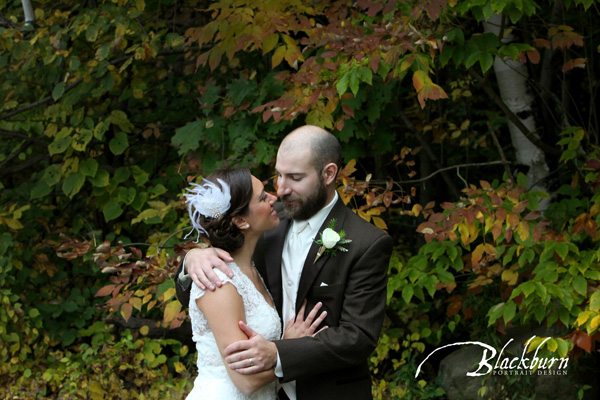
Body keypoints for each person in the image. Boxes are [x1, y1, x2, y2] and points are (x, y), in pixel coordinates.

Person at [176, 125, 393, 400]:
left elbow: (358, 337)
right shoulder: (263, 221)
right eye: (278, 175)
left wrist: (280, 353)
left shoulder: (367, 242)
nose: (280, 190)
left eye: (295, 177)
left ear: (328, 174)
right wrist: (191, 259)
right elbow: (209, 289)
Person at [181, 167, 327, 400]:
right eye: (262, 197)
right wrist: (289, 348)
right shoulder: (219, 282)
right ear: (240, 220)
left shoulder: (252, 268)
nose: (274, 197)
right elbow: (245, 380)